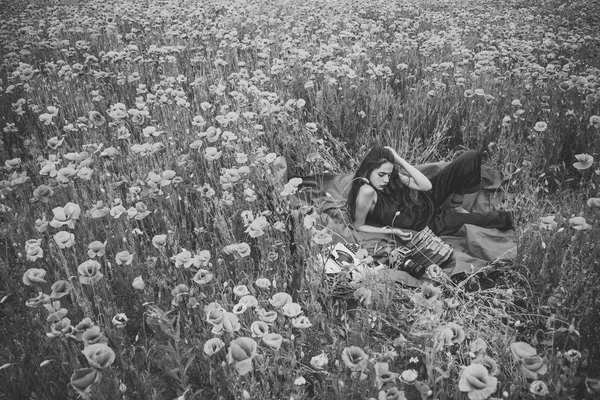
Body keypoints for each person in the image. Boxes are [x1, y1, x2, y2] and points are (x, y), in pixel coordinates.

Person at [347, 146, 513, 240]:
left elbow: (426, 187)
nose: (385, 180)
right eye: (381, 175)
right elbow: (358, 226)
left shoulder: (391, 178)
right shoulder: (366, 191)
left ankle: (455, 205)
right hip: (428, 223)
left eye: (389, 174)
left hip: (425, 200)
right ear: (368, 170)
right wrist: (392, 231)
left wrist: (398, 159)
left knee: (471, 157)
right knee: (490, 219)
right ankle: (515, 219)